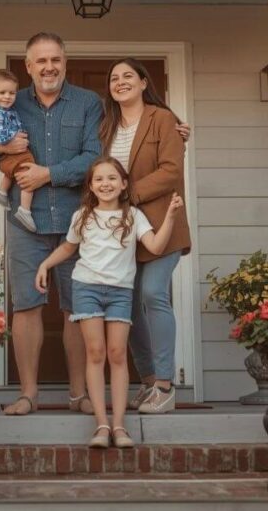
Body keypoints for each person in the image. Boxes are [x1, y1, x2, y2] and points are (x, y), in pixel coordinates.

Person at [0, 32, 102, 416]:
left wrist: (49, 174)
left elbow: (94, 157)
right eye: (40, 61)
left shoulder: (87, 103)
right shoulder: (11, 99)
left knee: (77, 307)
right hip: (25, 223)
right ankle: (28, 393)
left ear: (64, 62)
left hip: (75, 220)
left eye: (56, 60)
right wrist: (1, 148)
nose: (49, 67)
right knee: (27, 305)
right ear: (28, 66)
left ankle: (79, 394)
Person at [35, 156, 183, 448]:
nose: (106, 184)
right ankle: (101, 425)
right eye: (99, 179)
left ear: (124, 184)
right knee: (96, 352)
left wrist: (170, 218)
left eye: (112, 178)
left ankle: (119, 426)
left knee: (117, 354)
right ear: (90, 185)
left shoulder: (134, 216)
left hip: (119, 292)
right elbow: (68, 246)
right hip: (86, 288)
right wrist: (44, 266)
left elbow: (154, 245)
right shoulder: (82, 216)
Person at [100, 58, 192, 415]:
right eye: (113, 78)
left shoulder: (162, 119)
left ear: (142, 82)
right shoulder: (105, 127)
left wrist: (128, 194)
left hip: (161, 224)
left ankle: (167, 386)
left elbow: (170, 171)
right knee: (129, 306)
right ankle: (149, 379)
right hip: (119, 232)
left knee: (153, 294)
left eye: (127, 76)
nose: (120, 82)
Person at [0, 69, 36, 232]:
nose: (7, 96)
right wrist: (15, 136)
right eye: (2, 92)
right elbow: (1, 137)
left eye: (12, 93)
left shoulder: (6, 111)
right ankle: (24, 210)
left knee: (11, 172)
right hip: (13, 152)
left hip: (10, 158)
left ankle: (2, 192)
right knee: (28, 177)